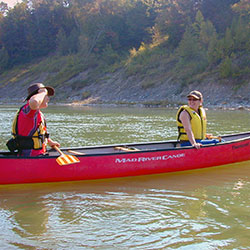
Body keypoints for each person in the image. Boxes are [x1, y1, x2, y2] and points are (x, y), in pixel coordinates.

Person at [6, 83, 60, 156]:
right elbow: (34, 102)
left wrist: (50, 142)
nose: (48, 98)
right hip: (31, 156)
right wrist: (43, 92)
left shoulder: (35, 113)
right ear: (38, 96)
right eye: (46, 96)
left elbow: (38, 134)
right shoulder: (28, 111)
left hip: (39, 154)